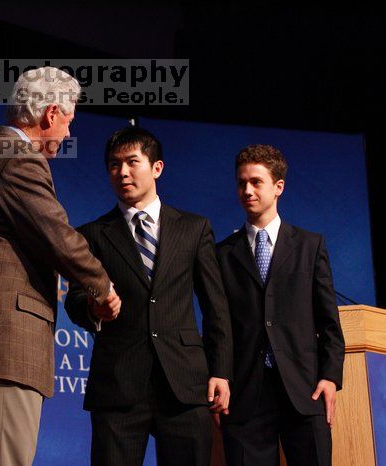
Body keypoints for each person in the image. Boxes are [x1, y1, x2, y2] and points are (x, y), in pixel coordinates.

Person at [0, 67, 119, 465]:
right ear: (50, 114)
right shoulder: (19, 159)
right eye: (68, 122)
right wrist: (103, 286)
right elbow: (58, 236)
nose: (67, 134)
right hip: (5, 347)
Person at [65, 126, 233, 466]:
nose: (122, 172)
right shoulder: (92, 235)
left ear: (156, 168)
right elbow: (74, 300)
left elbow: (216, 306)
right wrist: (95, 309)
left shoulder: (194, 228)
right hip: (118, 385)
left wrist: (221, 371)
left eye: (132, 162)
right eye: (114, 164)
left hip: (184, 383)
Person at [216, 144, 344, 465]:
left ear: (278, 187)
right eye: (241, 183)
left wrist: (330, 377)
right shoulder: (221, 254)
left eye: (256, 182)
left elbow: (328, 322)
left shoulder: (310, 246)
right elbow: (218, 326)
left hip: (305, 392)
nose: (247, 190)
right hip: (245, 396)